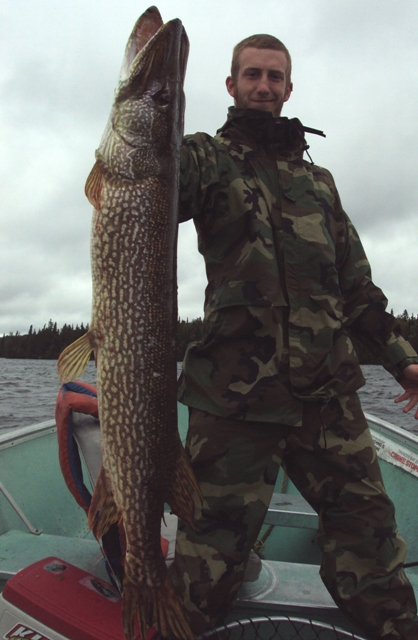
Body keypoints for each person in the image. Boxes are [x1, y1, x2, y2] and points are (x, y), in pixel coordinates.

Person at [168, 34, 418, 640]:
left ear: (288, 88)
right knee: (203, 577)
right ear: (231, 85)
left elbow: (358, 291)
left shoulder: (320, 183)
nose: (263, 86)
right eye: (251, 75)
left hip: (325, 395)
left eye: (275, 77)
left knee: (371, 537)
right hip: (234, 401)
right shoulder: (205, 159)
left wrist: (405, 363)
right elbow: (153, 182)